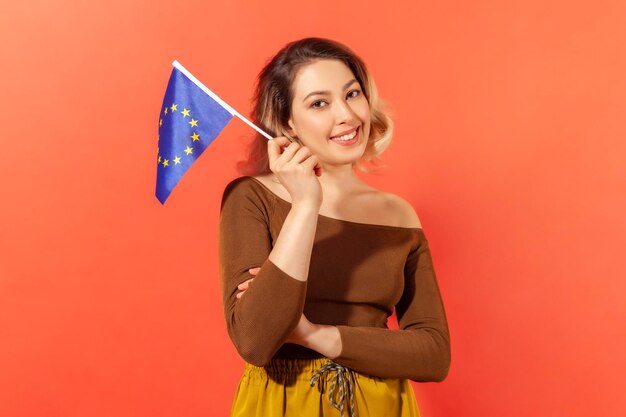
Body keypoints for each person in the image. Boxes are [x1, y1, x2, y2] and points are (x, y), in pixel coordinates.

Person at [218, 37, 450, 417]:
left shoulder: (398, 214)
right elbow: (255, 340)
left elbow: (434, 354)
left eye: (352, 94)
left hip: (383, 405)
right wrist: (307, 204)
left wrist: (315, 335)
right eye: (319, 103)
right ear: (287, 121)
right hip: (284, 404)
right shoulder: (251, 198)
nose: (346, 114)